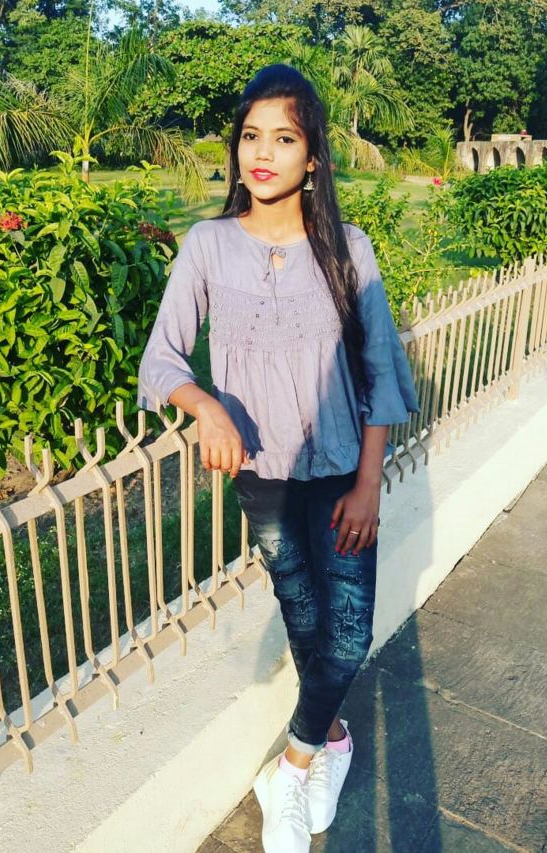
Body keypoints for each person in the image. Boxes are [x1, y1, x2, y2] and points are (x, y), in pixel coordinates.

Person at [138, 64, 419, 852]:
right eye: (251, 136)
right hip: (262, 480)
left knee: (348, 635)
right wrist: (206, 406)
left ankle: (289, 770)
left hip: (341, 475)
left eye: (284, 138)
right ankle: (332, 742)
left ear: (313, 156)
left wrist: (369, 483)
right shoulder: (207, 246)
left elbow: (381, 374)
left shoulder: (348, 250)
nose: (262, 153)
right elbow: (162, 359)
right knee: (305, 623)